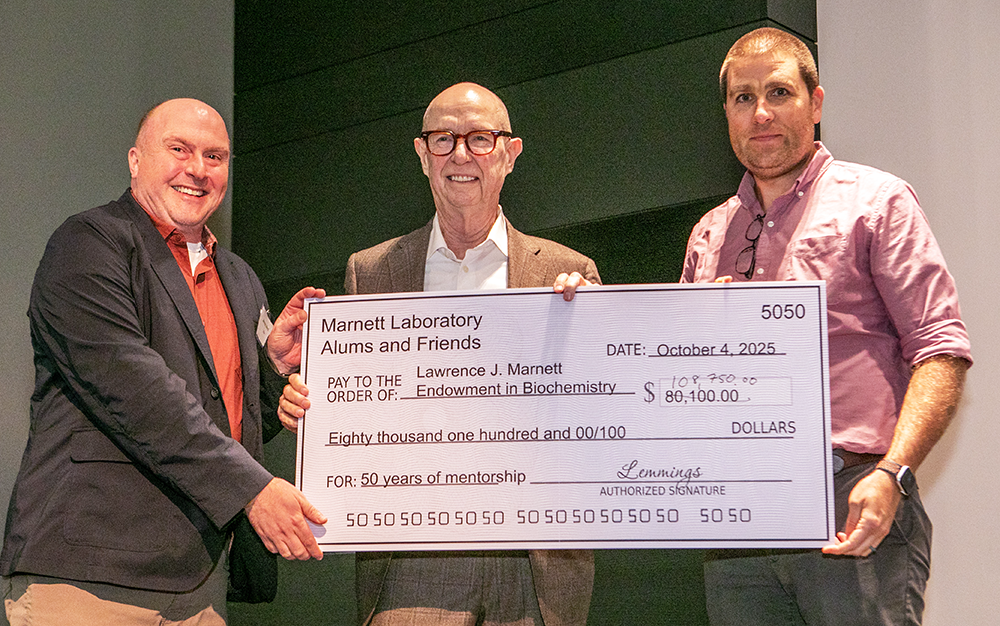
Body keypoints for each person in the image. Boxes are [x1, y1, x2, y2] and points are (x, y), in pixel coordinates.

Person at [279, 82, 600, 626]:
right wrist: (311, 411)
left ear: (510, 154)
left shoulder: (567, 274)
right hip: (412, 560)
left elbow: (600, 419)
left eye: (480, 139)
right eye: (443, 139)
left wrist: (599, 343)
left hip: (534, 561)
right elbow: (357, 414)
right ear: (422, 154)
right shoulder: (372, 272)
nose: (460, 155)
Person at [680, 28, 971, 625]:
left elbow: (940, 349)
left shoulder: (877, 201)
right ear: (727, 113)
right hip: (738, 515)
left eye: (779, 92)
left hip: (852, 496)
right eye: (742, 98)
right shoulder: (709, 233)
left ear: (815, 103)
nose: (761, 113)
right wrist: (590, 317)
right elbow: (674, 377)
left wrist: (892, 473)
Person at [1, 98, 327, 626]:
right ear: (136, 161)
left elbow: (225, 418)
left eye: (214, 156)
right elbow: (135, 393)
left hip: (201, 585)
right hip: (91, 577)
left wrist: (270, 373)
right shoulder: (88, 244)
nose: (197, 169)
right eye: (179, 149)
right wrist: (252, 490)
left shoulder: (239, 277)